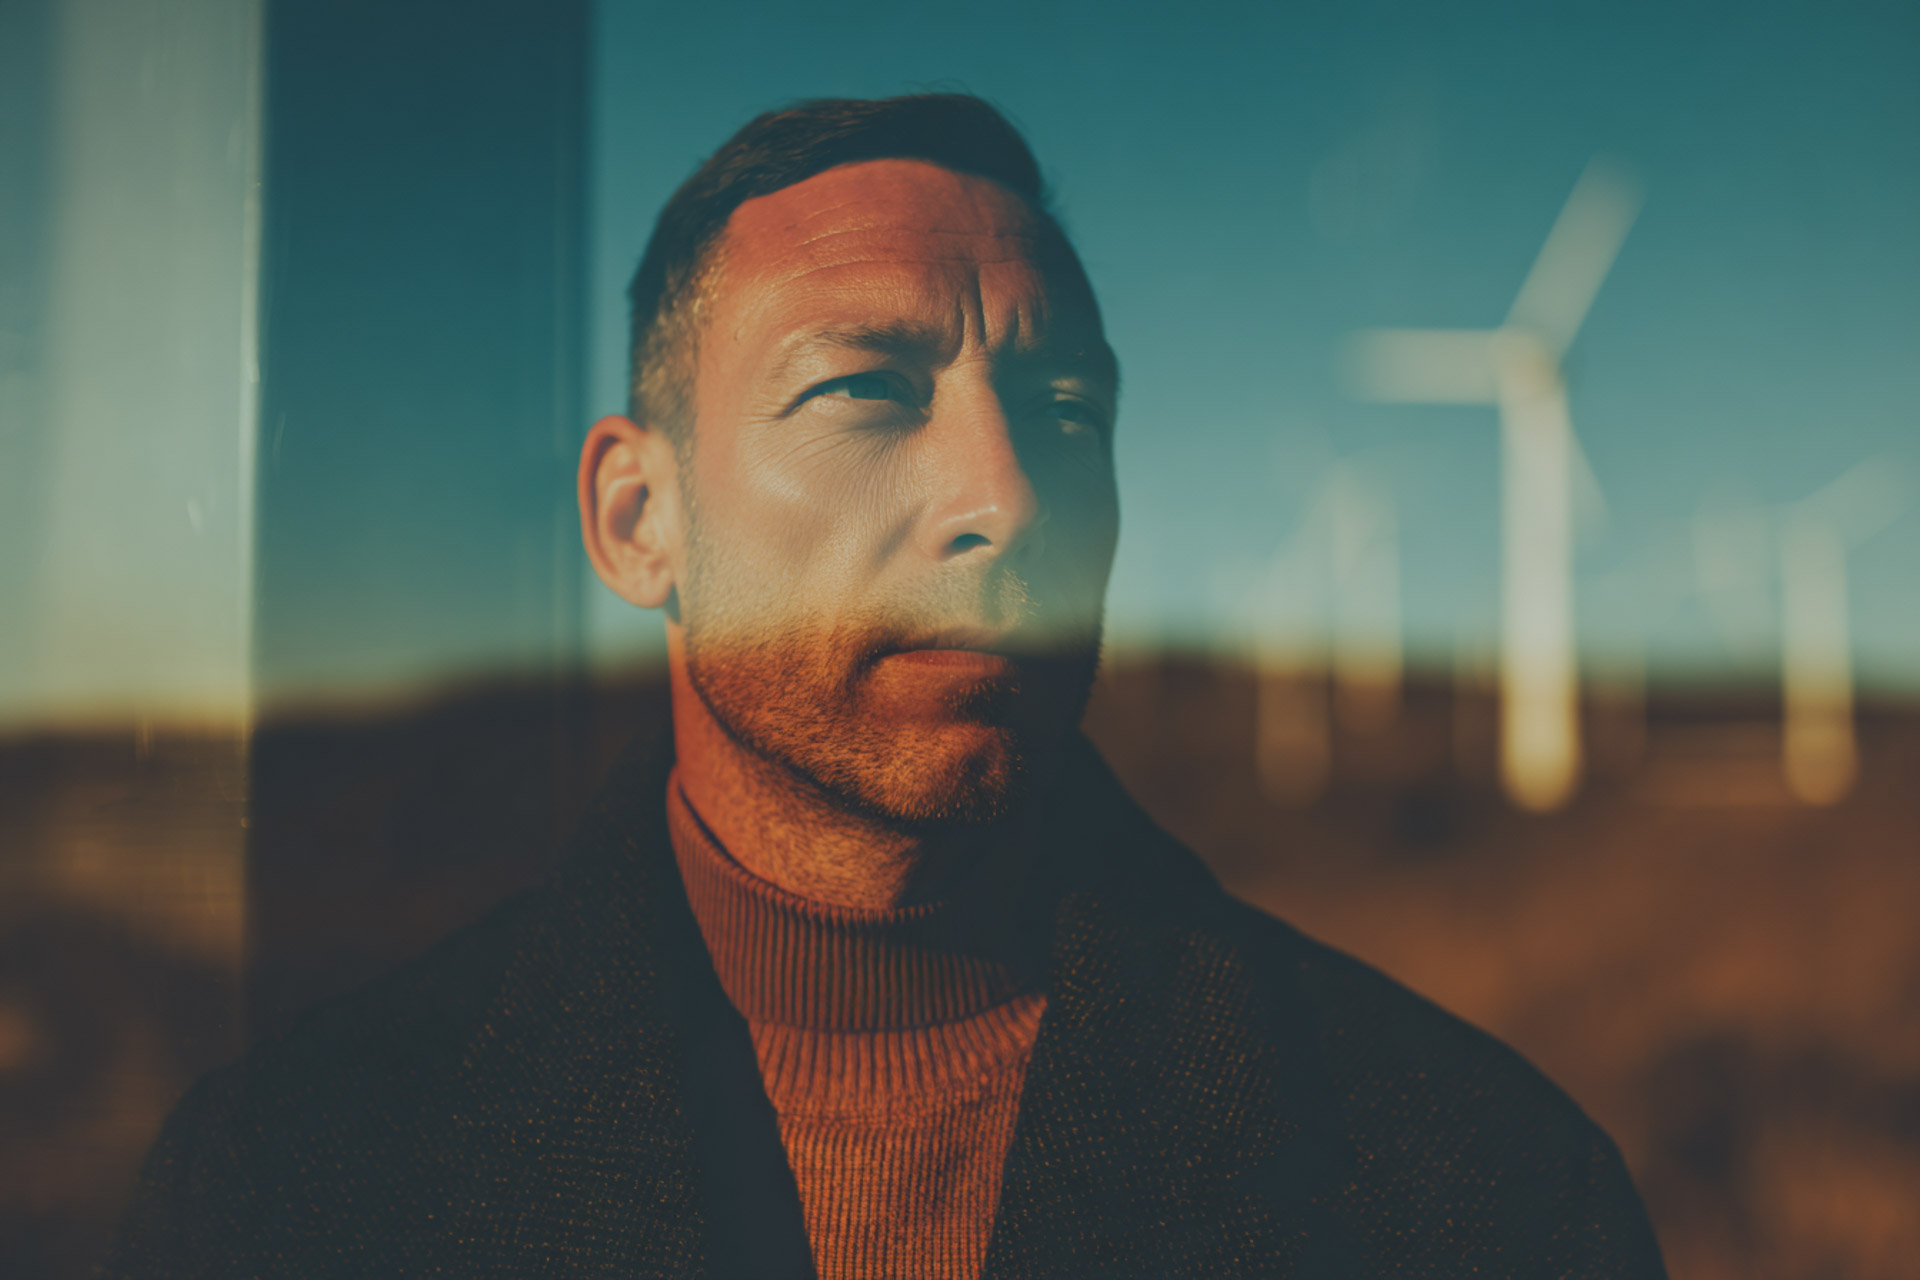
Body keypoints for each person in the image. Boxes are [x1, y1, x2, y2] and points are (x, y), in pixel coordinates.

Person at [104, 94, 1666, 1279]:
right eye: (865, 392)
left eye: (1066, 410)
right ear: (639, 520)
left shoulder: (1485, 1189)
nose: (1005, 495)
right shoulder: (277, 1189)